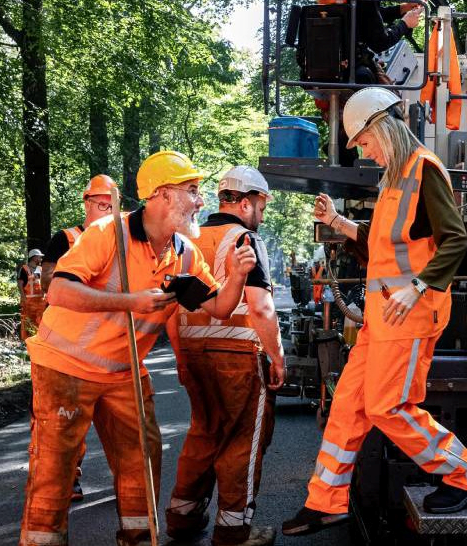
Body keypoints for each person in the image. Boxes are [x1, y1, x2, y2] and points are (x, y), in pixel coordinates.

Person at [19, 151, 258, 546]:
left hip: (123, 371)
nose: (201, 201)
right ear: (163, 195)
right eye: (192, 191)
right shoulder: (106, 235)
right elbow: (58, 291)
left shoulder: (183, 252)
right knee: (55, 467)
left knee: (142, 461)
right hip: (65, 366)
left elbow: (219, 307)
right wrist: (131, 302)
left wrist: (235, 276)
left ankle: (139, 539)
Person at [282, 87, 467, 537]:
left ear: (382, 128)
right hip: (382, 319)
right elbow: (383, 243)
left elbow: (455, 240)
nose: (366, 153)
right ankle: (326, 502)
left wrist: (418, 288)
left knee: (387, 406)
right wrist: (336, 221)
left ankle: (464, 473)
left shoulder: (424, 170)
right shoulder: (394, 178)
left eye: (365, 143)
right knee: (349, 405)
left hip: (411, 316)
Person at [166, 166, 285, 546]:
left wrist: (182, 357)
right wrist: (277, 357)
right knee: (241, 439)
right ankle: (234, 530)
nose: (262, 215)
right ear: (247, 202)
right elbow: (261, 309)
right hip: (236, 355)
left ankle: (183, 516)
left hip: (195, 352)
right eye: (262, 206)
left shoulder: (188, 240)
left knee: (204, 432)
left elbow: (171, 308)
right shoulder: (245, 240)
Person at [39, 173, 117, 501]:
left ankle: (131, 480)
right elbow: (48, 283)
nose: (106, 208)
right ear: (87, 203)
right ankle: (67, 478)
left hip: (112, 345)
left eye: (111, 204)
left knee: (120, 424)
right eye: (100, 203)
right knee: (69, 421)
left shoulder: (124, 243)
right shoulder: (66, 238)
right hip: (70, 346)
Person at [319, 0, 425, 163]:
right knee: (389, 100)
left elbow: (366, 19)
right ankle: (391, 156)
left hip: (329, 63)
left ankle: (342, 143)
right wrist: (406, 24)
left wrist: (400, 9)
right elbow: (379, 40)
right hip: (350, 68)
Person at [17, 248, 45, 340]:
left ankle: (39, 341)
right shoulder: (24, 269)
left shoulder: (41, 269)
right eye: (39, 257)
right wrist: (23, 298)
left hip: (40, 302)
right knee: (27, 322)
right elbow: (20, 284)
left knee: (40, 322)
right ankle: (26, 342)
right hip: (28, 301)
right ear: (33, 257)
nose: (41, 259)